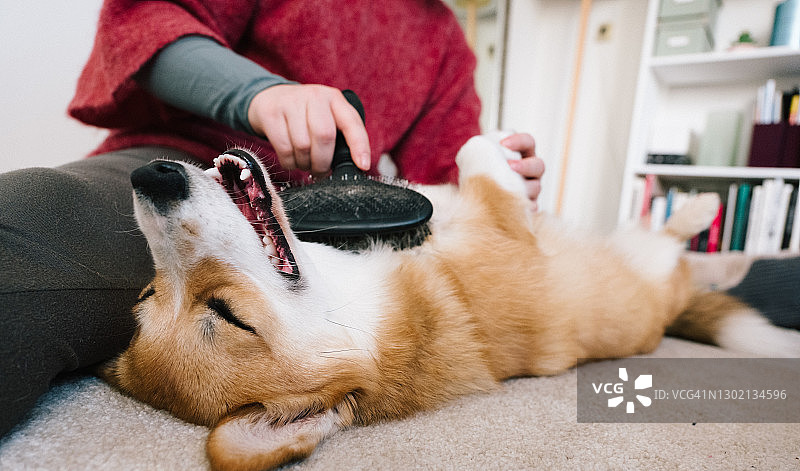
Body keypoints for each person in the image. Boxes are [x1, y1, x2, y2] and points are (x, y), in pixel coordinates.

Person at [0, 0, 545, 438]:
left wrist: (505, 179)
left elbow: (440, 177)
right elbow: (142, 21)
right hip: (180, 157)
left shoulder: (443, 38)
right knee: (27, 229)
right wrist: (257, 95)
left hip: (335, 232)